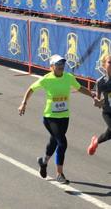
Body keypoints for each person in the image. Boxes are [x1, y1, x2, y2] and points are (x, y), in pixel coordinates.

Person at [18, 54, 96, 184]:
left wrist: (92, 95)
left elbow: (79, 88)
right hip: (50, 117)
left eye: (62, 64)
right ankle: (60, 174)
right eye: (58, 65)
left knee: (54, 140)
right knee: (63, 143)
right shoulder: (46, 79)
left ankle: (43, 162)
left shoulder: (68, 77)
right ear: (51, 67)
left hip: (64, 116)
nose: (61, 67)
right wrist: (23, 103)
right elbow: (31, 89)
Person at [88, 54, 111, 155]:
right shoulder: (100, 82)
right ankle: (95, 142)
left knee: (110, 133)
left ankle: (95, 142)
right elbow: (97, 101)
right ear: (104, 65)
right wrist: (98, 102)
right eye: (110, 62)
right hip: (107, 112)